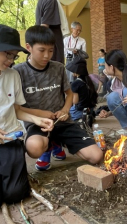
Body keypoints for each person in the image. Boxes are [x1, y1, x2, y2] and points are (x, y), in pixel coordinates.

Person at [14, 25, 103, 171]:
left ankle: (56, 141)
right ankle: (48, 143)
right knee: (34, 149)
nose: (46, 56)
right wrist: (42, 114)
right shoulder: (18, 72)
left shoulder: (58, 68)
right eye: (41, 50)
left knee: (96, 156)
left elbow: (69, 94)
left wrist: (65, 110)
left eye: (50, 50)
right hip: (38, 124)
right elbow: (17, 108)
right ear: (28, 47)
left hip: (62, 121)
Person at [0, 24, 53, 205]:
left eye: (14, 57)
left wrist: (38, 120)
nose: (11, 60)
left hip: (9, 138)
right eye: (7, 54)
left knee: (16, 193)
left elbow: (17, 110)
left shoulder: (12, 75)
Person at [35, 0, 69, 64]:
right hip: (52, 50)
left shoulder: (42, 0)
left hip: (48, 49)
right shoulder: (51, 1)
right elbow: (43, 28)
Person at [66, 58, 97, 123]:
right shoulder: (88, 81)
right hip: (89, 109)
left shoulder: (75, 83)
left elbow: (75, 101)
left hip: (79, 110)